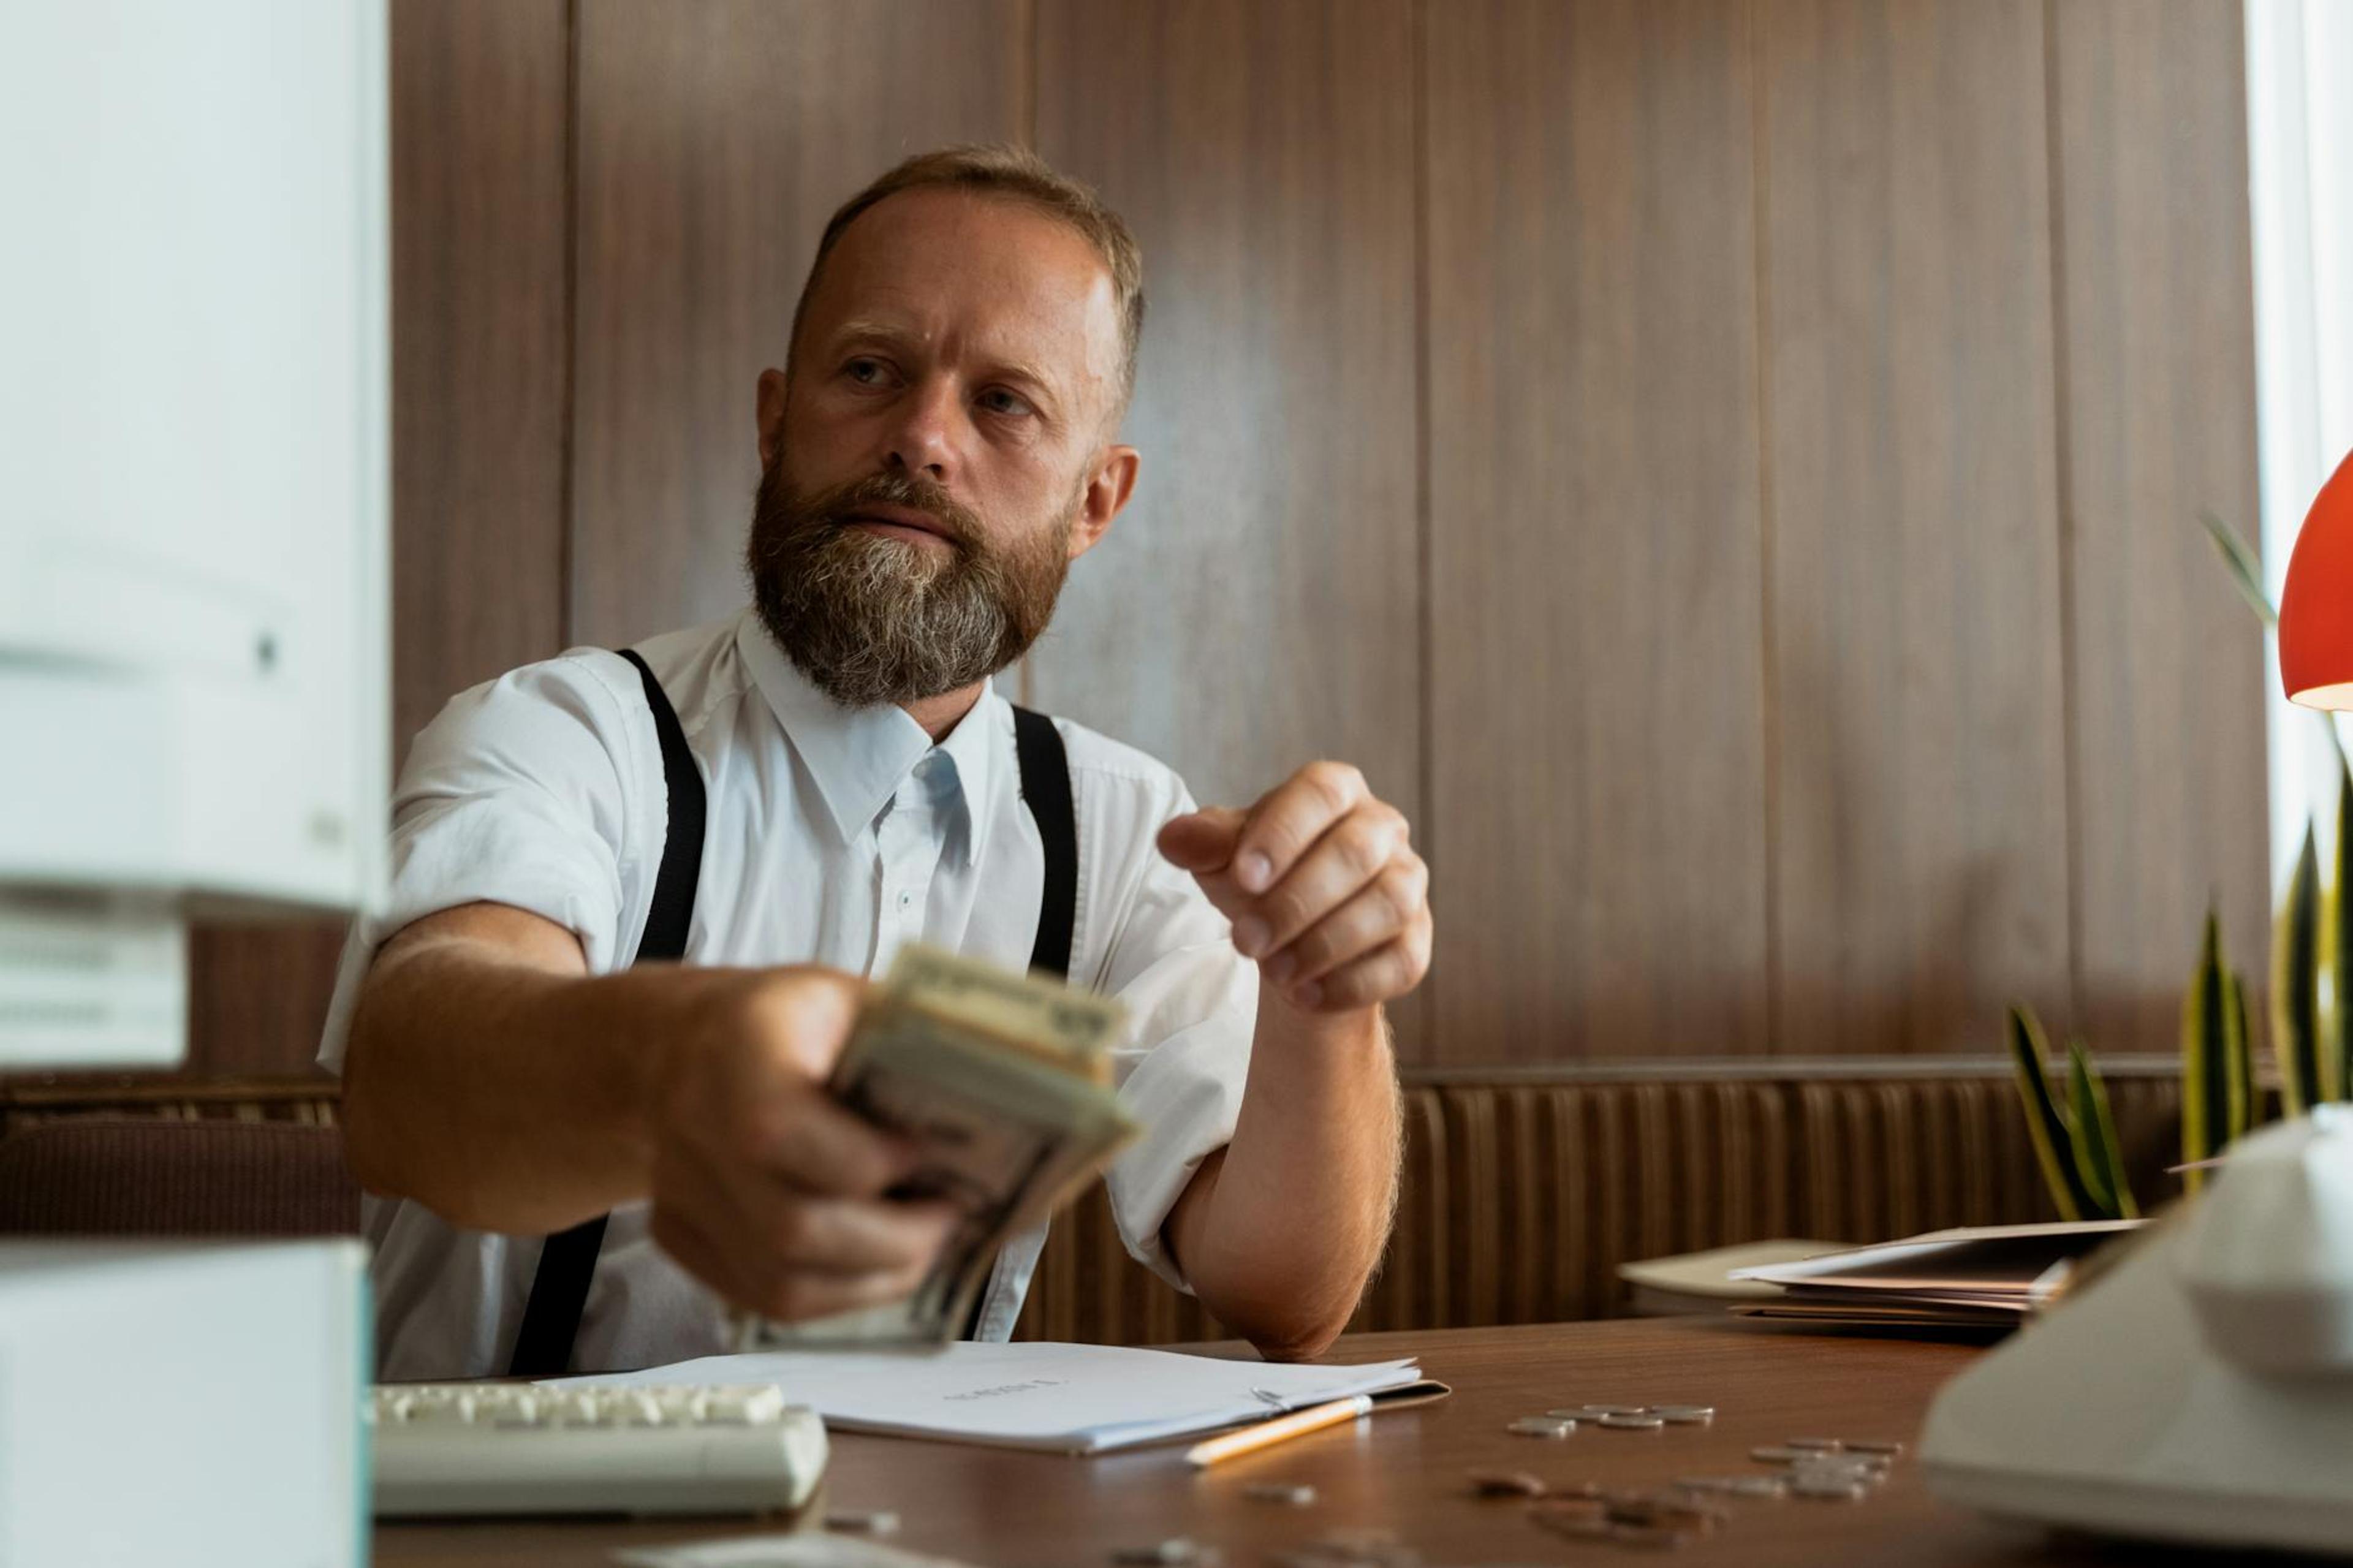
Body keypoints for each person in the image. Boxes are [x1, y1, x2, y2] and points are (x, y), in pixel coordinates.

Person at [325, 145, 1430, 1380]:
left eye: (1004, 402)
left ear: (1095, 502)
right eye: (870, 370)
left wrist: (1324, 997)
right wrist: (683, 1070)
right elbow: (410, 1081)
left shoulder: (1126, 834)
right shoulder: (567, 734)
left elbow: (1282, 1290)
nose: (922, 436)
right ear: (774, 417)